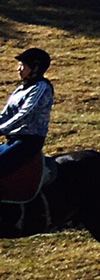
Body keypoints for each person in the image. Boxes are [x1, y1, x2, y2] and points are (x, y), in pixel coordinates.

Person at [0, 48, 53, 188]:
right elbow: (6, 114)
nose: (19, 69)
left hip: (28, 142)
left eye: (23, 65)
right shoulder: (21, 89)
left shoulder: (41, 87)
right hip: (13, 140)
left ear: (36, 68)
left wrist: (2, 129)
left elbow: (25, 114)